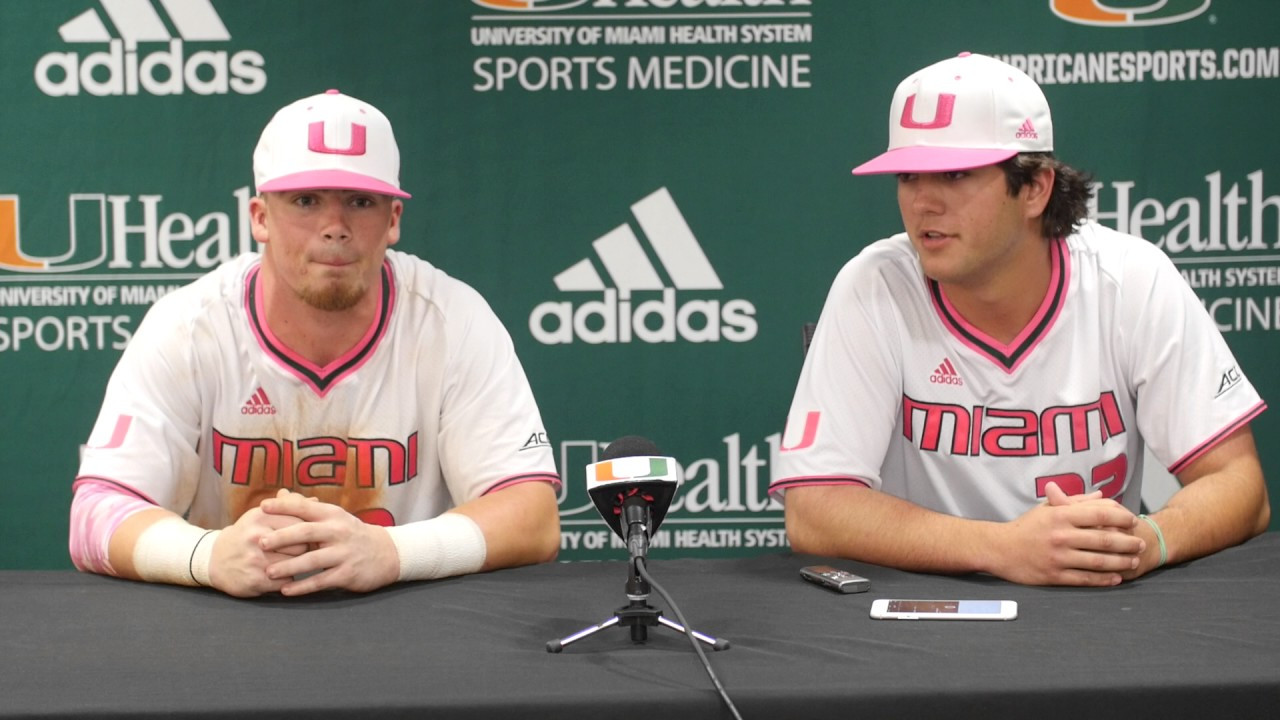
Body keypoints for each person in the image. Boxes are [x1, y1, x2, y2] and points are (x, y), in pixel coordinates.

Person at [771, 52, 1269, 587]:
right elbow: (814, 509)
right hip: (926, 616)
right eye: (908, 175)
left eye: (955, 174)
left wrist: (1147, 543)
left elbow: (1239, 483)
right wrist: (1004, 548)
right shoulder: (875, 286)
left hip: (1094, 608)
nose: (922, 203)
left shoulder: (1130, 280)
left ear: (1035, 187)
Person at [69, 89, 561, 597]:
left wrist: (392, 553)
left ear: (393, 219)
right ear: (260, 216)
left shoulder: (453, 321)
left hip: (410, 625)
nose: (335, 228)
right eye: (306, 201)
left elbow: (534, 516)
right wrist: (206, 556)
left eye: (360, 202)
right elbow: (96, 515)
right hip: (229, 629)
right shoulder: (190, 326)